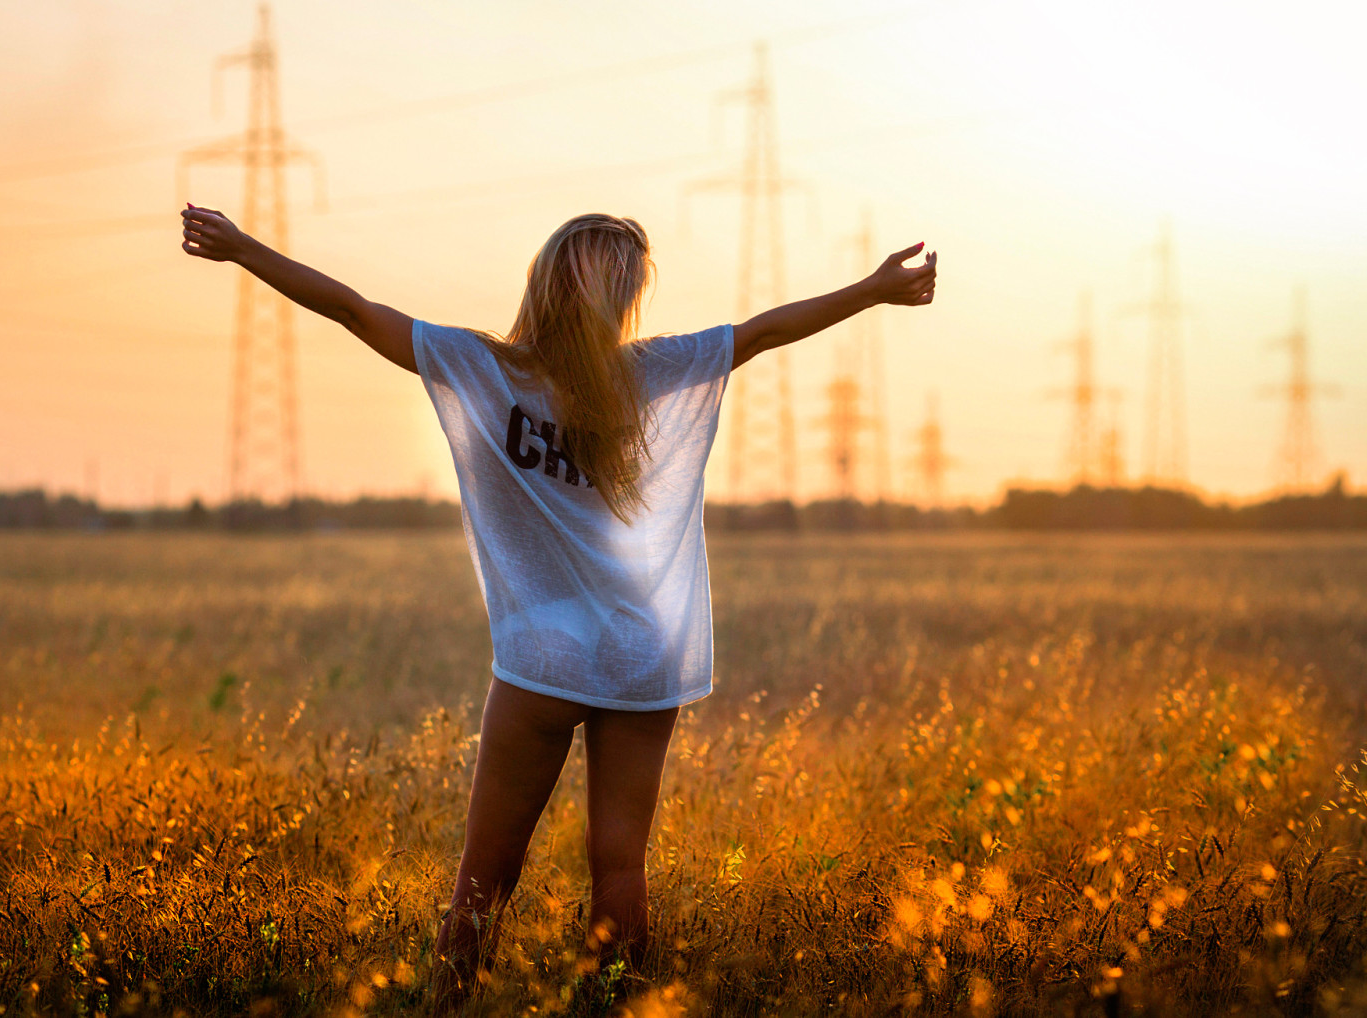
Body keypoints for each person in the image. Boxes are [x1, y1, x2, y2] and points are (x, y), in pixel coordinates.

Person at [179, 205, 936, 1005]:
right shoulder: (649, 372)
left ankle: (448, 1005)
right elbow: (763, 331)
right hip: (646, 649)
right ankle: (615, 1002)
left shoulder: (483, 368)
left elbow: (353, 309)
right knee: (619, 863)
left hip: (546, 654)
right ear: (624, 300)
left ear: (542, 284)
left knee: (486, 874)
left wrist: (242, 250)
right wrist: (873, 289)